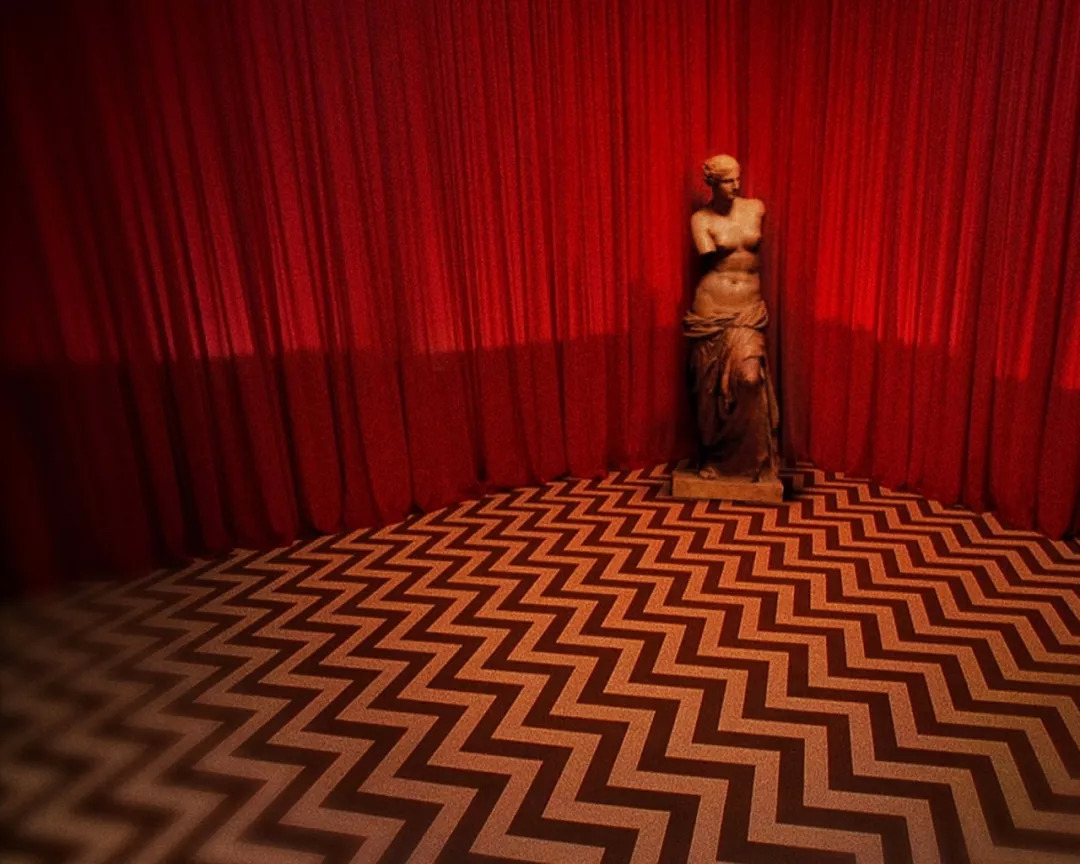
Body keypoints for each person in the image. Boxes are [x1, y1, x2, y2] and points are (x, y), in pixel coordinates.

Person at [683, 154, 779, 480]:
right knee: (710, 395)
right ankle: (715, 460)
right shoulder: (701, 220)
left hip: (747, 312)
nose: (735, 185)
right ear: (712, 183)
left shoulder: (755, 208)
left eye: (738, 178)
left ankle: (752, 460)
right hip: (710, 312)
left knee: (750, 379)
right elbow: (706, 252)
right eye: (727, 181)